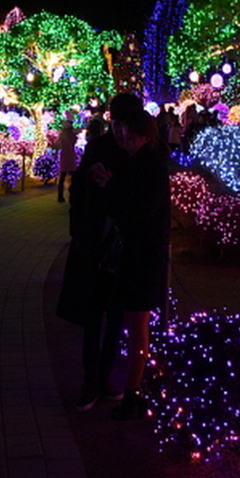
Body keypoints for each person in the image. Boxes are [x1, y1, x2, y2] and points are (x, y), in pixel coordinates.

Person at [54, 96, 141, 411]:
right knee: (93, 317)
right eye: (115, 123)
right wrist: (79, 230)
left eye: (124, 124)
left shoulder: (138, 152)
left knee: (115, 317)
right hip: (95, 243)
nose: (119, 130)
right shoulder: (99, 147)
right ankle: (90, 380)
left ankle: (104, 377)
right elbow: (79, 189)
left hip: (121, 246)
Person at [100, 100, 171, 420]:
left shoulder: (150, 164)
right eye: (123, 136)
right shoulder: (141, 161)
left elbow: (139, 212)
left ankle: (134, 391)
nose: (125, 141)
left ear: (144, 135)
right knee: (135, 323)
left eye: (130, 137)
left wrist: (112, 189)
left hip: (143, 254)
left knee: (137, 325)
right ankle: (136, 386)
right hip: (139, 253)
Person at [57, 111, 78, 203]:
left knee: (63, 176)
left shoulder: (63, 134)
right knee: (73, 177)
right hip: (70, 156)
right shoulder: (71, 135)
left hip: (65, 156)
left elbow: (60, 143)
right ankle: (73, 195)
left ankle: (60, 196)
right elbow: (73, 141)